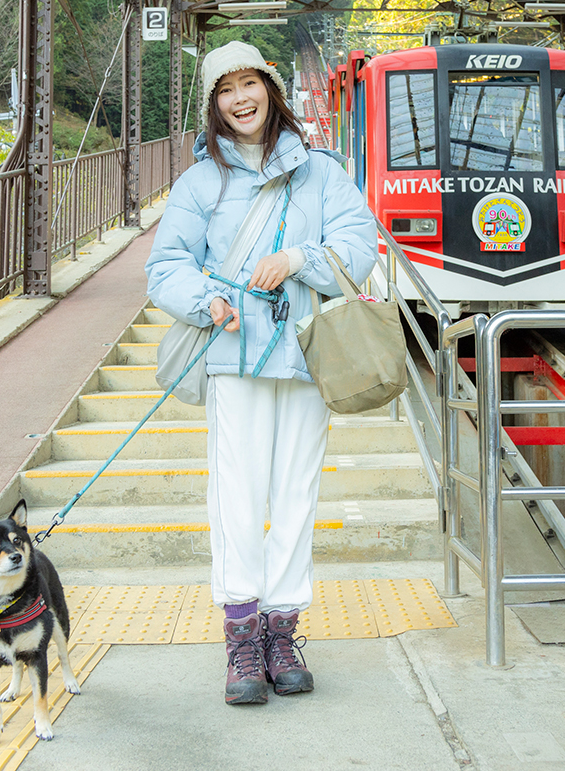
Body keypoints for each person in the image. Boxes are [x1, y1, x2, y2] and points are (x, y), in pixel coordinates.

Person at [146, 41, 377, 705]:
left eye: (250, 83)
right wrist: (205, 301)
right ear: (213, 105)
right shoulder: (198, 182)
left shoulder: (324, 174)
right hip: (235, 354)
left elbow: (357, 247)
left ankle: (283, 630)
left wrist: (300, 256)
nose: (240, 99)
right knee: (237, 496)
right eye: (226, 90)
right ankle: (243, 636)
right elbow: (167, 266)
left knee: (297, 493)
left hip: (306, 354)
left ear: (271, 90)